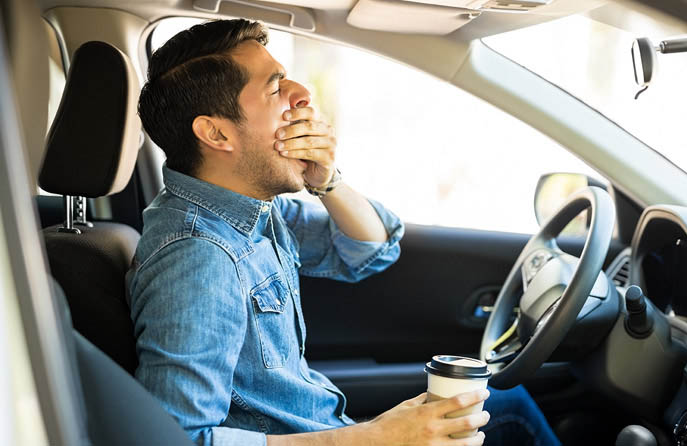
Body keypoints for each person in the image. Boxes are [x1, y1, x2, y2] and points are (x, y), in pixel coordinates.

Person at [127, 18, 561, 446]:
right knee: (511, 415)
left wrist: (327, 181)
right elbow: (176, 439)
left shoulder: (252, 211)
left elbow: (371, 249)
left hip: (327, 428)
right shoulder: (199, 258)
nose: (302, 94)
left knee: (505, 403)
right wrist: (375, 437)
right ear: (216, 133)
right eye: (276, 89)